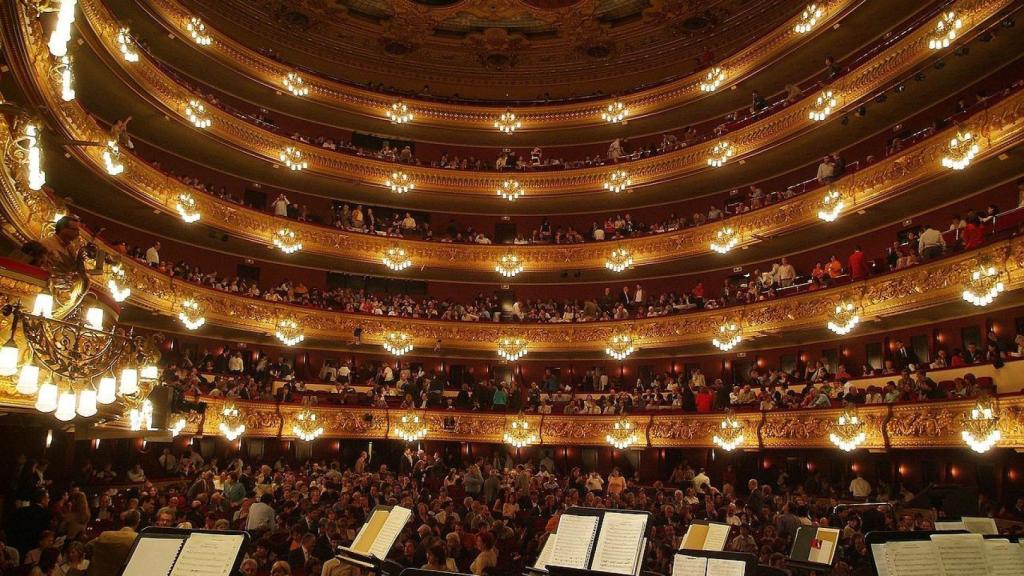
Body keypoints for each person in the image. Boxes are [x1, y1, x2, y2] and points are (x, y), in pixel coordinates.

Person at [85, 509, 140, 576]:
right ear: (138, 522)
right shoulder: (138, 539)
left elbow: (87, 546)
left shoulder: (105, 535)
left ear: (124, 520)